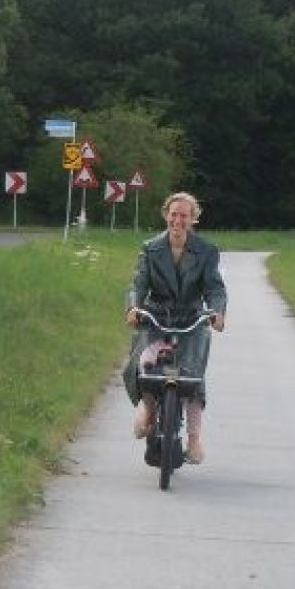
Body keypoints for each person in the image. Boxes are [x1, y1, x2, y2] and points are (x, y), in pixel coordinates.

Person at [122, 192, 227, 463]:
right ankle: (149, 410)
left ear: (193, 219)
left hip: (192, 320)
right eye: (173, 214)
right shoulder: (150, 248)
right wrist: (133, 307)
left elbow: (215, 288)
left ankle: (193, 440)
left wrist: (217, 313)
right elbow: (138, 283)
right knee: (143, 366)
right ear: (166, 215)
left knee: (192, 376)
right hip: (156, 316)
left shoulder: (206, 251)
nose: (178, 220)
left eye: (184, 215)